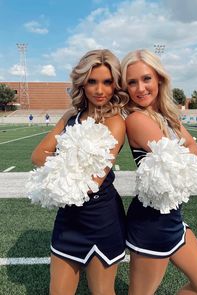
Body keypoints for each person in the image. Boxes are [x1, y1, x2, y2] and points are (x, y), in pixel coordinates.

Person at [31, 49, 129, 295]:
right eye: (92, 81)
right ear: (81, 84)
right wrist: (66, 166)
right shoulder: (70, 117)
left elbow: (92, 180)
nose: (99, 90)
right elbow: (37, 155)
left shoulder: (116, 122)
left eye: (107, 82)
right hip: (68, 219)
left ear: (115, 85)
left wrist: (58, 163)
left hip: (102, 219)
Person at [121, 49, 197, 295]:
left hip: (173, 218)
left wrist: (183, 153)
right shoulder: (136, 119)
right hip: (152, 224)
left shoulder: (167, 116)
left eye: (146, 79)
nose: (140, 88)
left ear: (159, 79)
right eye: (132, 82)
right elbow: (179, 157)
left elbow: (196, 149)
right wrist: (183, 152)